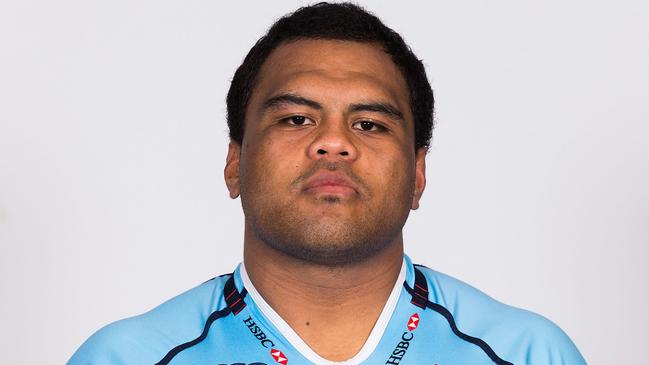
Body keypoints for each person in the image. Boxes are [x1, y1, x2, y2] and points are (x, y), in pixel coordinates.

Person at [68, 3, 586, 364]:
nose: (333, 143)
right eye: (296, 119)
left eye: (370, 124)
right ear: (234, 163)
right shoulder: (124, 358)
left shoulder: (528, 354)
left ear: (418, 174)